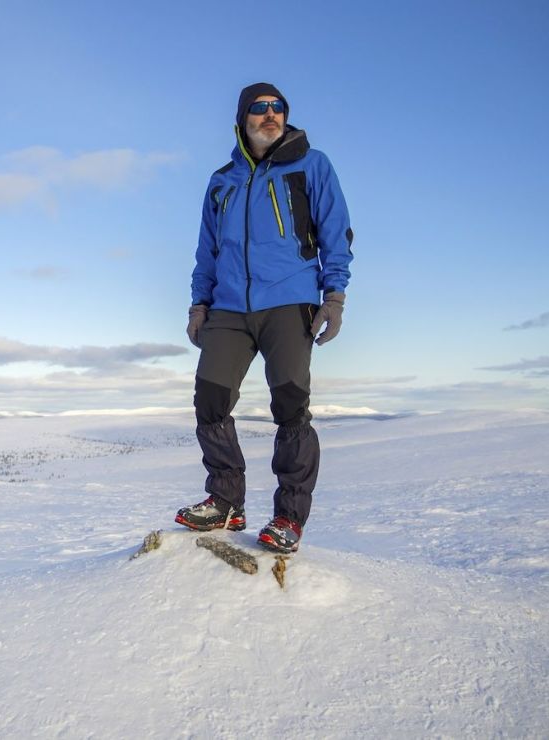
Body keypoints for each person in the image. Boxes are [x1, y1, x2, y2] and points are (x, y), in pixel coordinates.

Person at [176, 82, 354, 554]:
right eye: (259, 109)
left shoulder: (311, 165)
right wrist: (199, 303)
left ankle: (288, 517)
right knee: (210, 400)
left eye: (278, 108)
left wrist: (333, 296)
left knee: (291, 406)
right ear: (242, 119)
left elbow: (336, 232)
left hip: (289, 301)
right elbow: (207, 251)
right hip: (230, 307)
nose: (270, 115)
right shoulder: (221, 181)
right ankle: (226, 501)